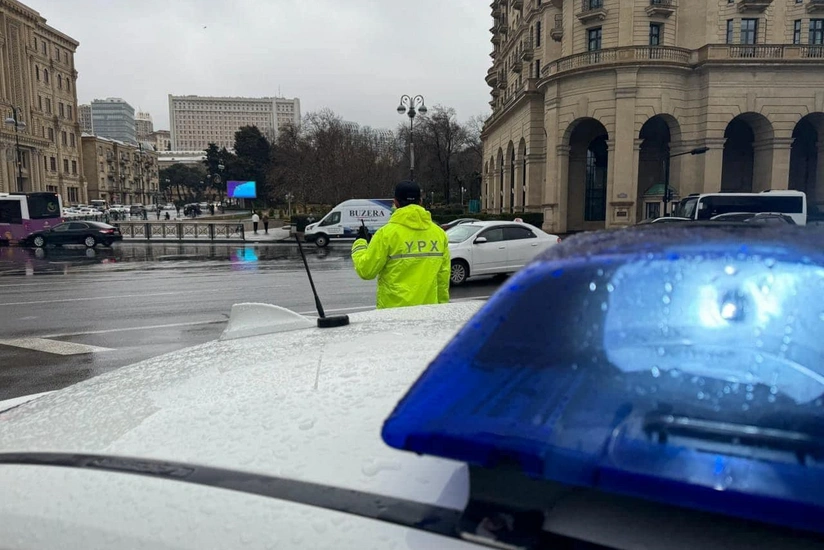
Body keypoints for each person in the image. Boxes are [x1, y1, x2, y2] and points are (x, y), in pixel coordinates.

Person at [351, 181, 450, 309]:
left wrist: (360, 243)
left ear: (395, 203)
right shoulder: (439, 234)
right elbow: (443, 279)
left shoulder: (386, 234)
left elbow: (366, 271)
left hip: (393, 316)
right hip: (429, 314)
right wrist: (442, 309)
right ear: (420, 202)